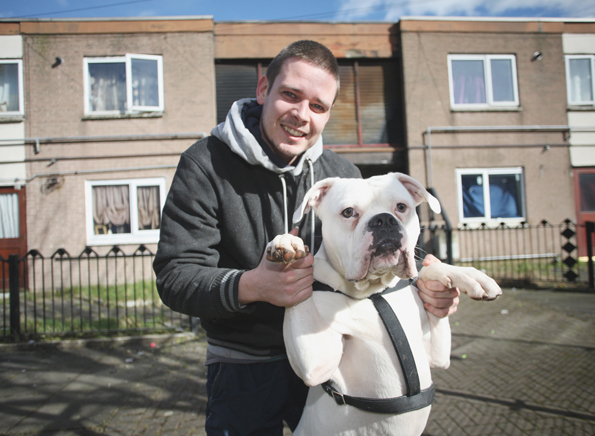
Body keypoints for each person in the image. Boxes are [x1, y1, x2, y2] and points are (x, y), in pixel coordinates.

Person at [153, 40, 460, 436]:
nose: (302, 115)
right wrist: (252, 286)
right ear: (263, 90)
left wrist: (424, 292)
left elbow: (367, 264)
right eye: (290, 95)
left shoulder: (342, 173)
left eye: (318, 106)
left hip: (335, 354)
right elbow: (175, 276)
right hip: (243, 363)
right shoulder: (205, 164)